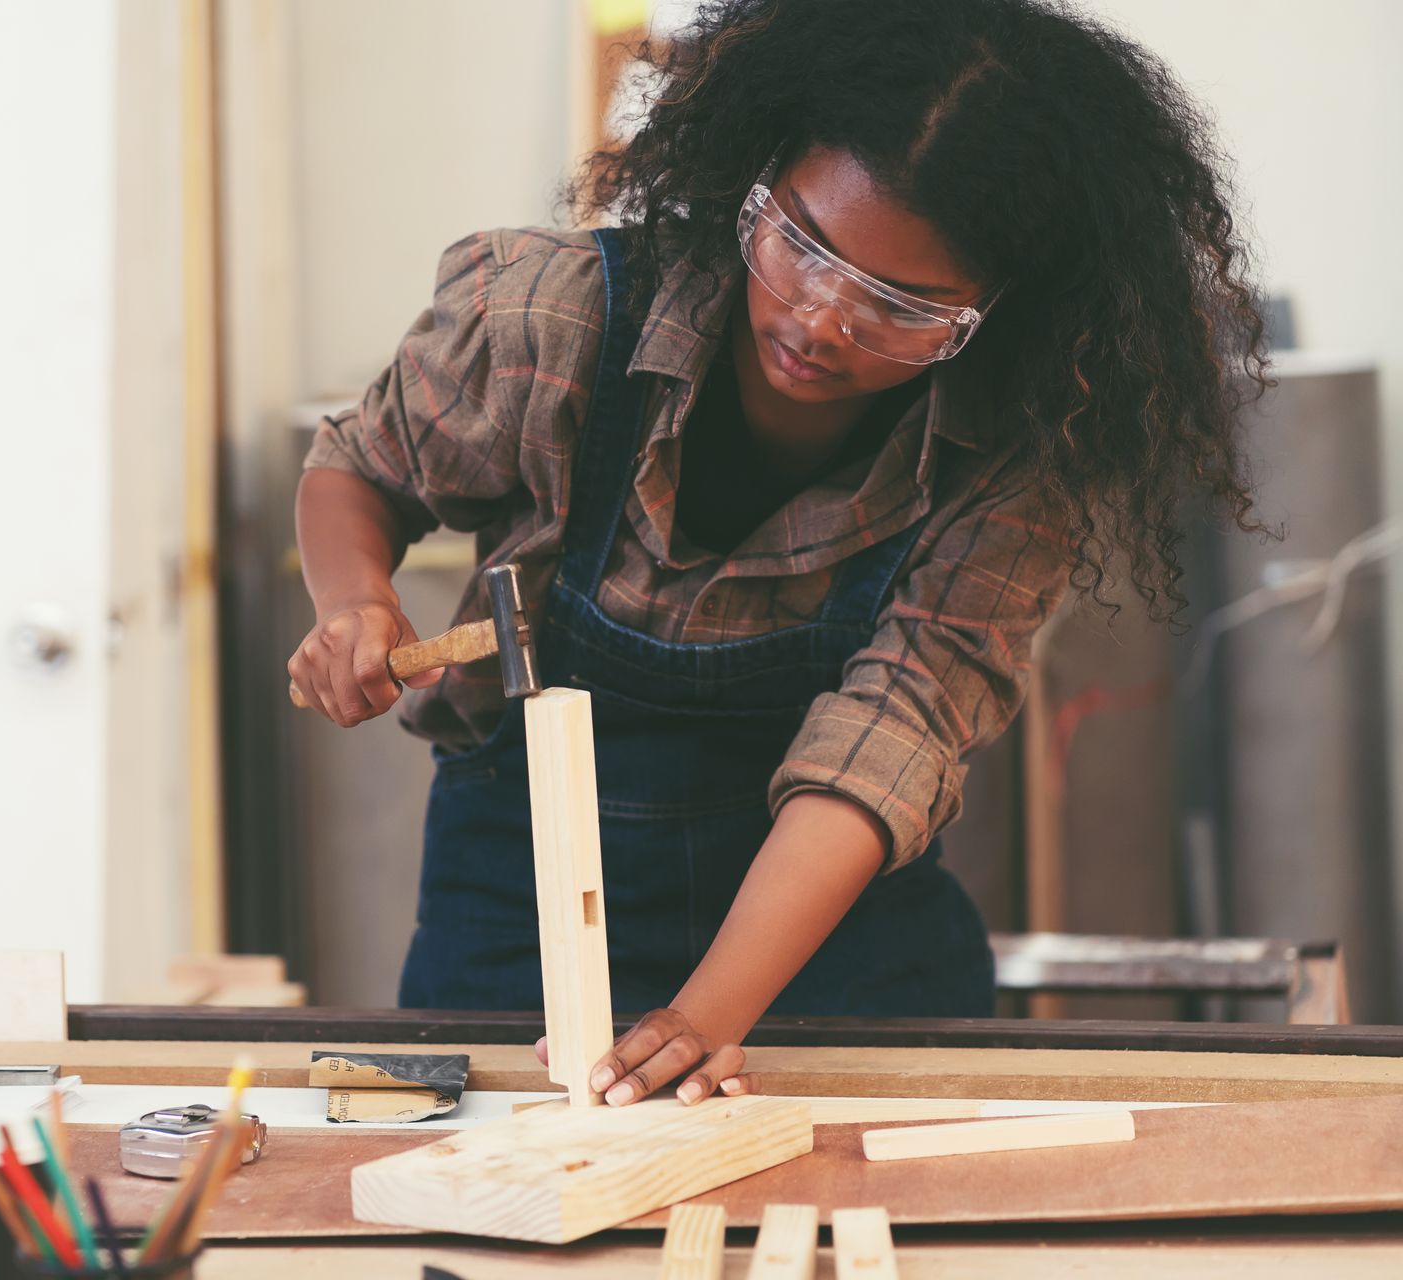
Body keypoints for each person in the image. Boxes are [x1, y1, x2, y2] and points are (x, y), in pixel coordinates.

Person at [287, 0, 1266, 1108]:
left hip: (833, 953)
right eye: (800, 243)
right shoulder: (551, 320)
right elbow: (363, 467)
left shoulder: (1012, 464)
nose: (820, 321)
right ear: (752, 175)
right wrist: (353, 599)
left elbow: (893, 729)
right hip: (520, 916)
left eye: (901, 304)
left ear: (997, 316)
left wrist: (706, 1017)